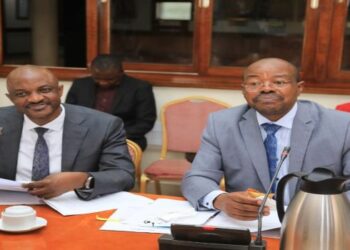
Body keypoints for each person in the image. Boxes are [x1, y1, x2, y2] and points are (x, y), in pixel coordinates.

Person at [182, 58, 350, 220]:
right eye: (254, 83)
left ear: (299, 88)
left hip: (319, 224)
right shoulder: (221, 124)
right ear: (243, 90)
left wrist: (324, 214)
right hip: (249, 225)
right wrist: (220, 200)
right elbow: (197, 178)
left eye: (279, 82)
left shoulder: (342, 125)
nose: (266, 89)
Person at [0, 65, 135, 200]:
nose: (35, 99)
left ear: (60, 91)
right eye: (21, 94)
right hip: (10, 205)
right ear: (11, 98)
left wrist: (80, 180)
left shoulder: (103, 125)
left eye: (45, 90)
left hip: (73, 203)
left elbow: (123, 176)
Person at [65, 54, 156, 151]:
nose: (103, 83)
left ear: (121, 73)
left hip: (124, 138)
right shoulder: (80, 85)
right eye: (97, 79)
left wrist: (114, 136)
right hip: (85, 137)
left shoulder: (140, 88)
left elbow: (145, 122)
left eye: (110, 79)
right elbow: (70, 114)